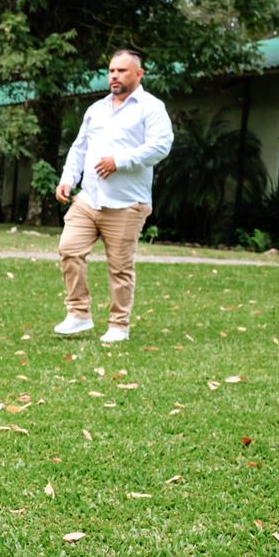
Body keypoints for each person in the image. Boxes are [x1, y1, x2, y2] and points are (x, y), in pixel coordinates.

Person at [53, 49, 174, 342]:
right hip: (89, 198)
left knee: (120, 268)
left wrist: (120, 161)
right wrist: (69, 179)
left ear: (138, 73)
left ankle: (119, 325)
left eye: (121, 70)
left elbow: (161, 145)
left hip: (126, 203)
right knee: (69, 249)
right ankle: (78, 314)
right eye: (111, 71)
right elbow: (79, 147)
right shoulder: (96, 109)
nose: (114, 76)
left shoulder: (151, 107)